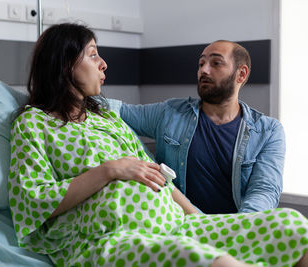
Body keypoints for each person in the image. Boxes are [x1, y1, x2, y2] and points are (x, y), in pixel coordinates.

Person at [8, 23, 308, 267]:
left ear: (241, 74)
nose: (103, 63)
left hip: (175, 223)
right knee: (215, 261)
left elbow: (157, 174)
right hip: (111, 238)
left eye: (214, 63)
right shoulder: (33, 124)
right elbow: (31, 201)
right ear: (64, 64)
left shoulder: (107, 120)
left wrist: (205, 223)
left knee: (294, 226)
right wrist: (110, 170)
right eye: (92, 54)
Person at [116, 40, 285, 214]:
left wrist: (235, 230)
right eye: (201, 63)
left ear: (241, 74)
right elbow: (115, 110)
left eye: (216, 63)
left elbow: (264, 190)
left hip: (234, 230)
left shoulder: (269, 131)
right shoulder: (169, 113)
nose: (203, 70)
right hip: (179, 226)